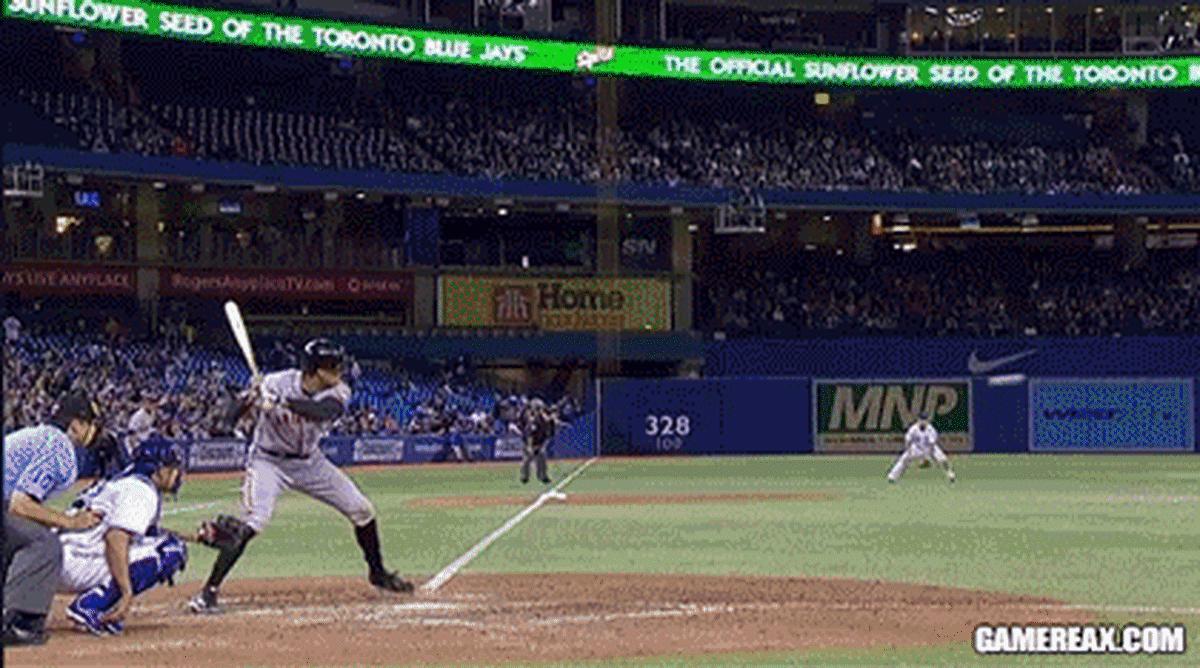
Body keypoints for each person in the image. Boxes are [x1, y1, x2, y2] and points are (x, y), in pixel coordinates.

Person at [188, 339, 413, 615]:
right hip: (267, 461)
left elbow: (324, 411)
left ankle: (377, 573)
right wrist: (234, 417)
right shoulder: (275, 382)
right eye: (332, 367)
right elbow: (237, 408)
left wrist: (282, 402)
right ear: (315, 370)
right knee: (254, 521)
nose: (339, 372)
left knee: (362, 509)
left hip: (309, 462)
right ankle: (208, 592)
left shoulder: (338, 391)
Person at [57, 443, 202, 636]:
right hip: (75, 562)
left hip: (57, 557)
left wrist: (198, 538)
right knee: (171, 550)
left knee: (163, 542)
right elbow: (115, 538)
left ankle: (97, 603)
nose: (178, 475)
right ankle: (91, 606)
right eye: (172, 468)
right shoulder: (140, 490)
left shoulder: (126, 482)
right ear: (158, 470)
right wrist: (126, 592)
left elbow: (147, 534)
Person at [2, 394, 105, 646]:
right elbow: (20, 504)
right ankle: (19, 623)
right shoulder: (60, 447)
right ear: (77, 425)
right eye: (91, 423)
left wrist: (53, 521)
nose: (94, 430)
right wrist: (69, 522)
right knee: (45, 545)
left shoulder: (43, 437)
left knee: (22, 537)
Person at [887, 411, 956, 484]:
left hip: (929, 448)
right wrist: (909, 451)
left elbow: (931, 445)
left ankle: (950, 474)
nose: (923, 421)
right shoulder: (913, 428)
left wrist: (928, 458)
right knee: (904, 459)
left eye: (925, 420)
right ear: (918, 420)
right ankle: (892, 476)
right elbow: (908, 440)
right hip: (917, 448)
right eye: (921, 419)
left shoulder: (931, 429)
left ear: (927, 421)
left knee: (943, 459)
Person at [519, 398, 557, 485]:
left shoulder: (543, 419)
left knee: (542, 458)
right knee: (528, 459)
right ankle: (524, 477)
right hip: (530, 442)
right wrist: (530, 446)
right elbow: (530, 434)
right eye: (538, 409)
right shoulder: (532, 420)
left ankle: (543, 476)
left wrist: (552, 420)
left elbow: (547, 430)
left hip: (539, 441)